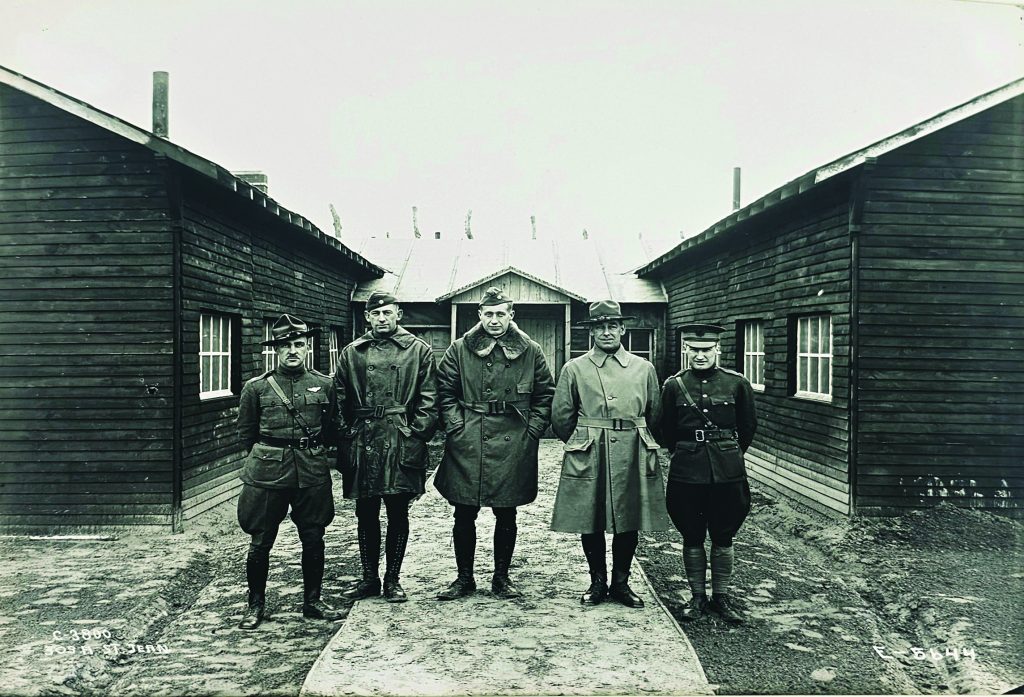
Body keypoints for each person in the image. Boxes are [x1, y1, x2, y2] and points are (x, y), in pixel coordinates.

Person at [434, 287, 555, 600]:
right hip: (469, 436)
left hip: (514, 437)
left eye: (501, 313)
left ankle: (502, 577)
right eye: (488, 314)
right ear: (479, 316)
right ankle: (464, 578)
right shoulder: (460, 349)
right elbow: (444, 391)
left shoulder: (530, 349)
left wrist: (533, 430)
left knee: (507, 512)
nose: (495, 320)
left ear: (511, 314)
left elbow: (545, 395)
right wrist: (455, 426)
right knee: (464, 510)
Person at [550, 300, 669, 608]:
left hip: (632, 448)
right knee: (590, 517)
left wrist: (634, 435)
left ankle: (621, 583)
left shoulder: (644, 368)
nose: (606, 332)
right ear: (591, 332)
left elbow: (655, 413)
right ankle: (597, 582)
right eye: (599, 327)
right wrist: (584, 439)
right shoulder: (574, 368)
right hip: (591, 449)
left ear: (622, 329)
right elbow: (561, 416)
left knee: (629, 517)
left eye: (611, 326)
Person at [235, 313, 343, 630]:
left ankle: (313, 601)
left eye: (298, 344)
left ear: (306, 346)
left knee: (313, 537)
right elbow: (246, 434)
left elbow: (331, 427)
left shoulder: (323, 384)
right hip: (268, 472)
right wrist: (270, 455)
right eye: (286, 345)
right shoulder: (256, 388)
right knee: (260, 541)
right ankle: (255, 606)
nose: (293, 350)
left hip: (310, 471)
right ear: (276, 350)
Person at [334, 290, 438, 603]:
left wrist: (415, 433)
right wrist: (346, 432)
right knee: (365, 512)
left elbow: (429, 397)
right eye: (376, 314)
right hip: (363, 439)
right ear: (367, 317)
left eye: (388, 313)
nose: (382, 319)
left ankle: (392, 579)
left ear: (399, 315)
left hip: (399, 438)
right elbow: (338, 396)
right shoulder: (353, 352)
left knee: (397, 511)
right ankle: (369, 579)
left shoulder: (418, 350)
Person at [658, 323, 757, 625]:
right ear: (686, 350)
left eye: (706, 350)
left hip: (728, 472)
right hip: (687, 472)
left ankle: (722, 597)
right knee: (691, 534)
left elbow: (748, 426)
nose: (700, 355)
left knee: (724, 534)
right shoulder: (674, 385)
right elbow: (664, 429)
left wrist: (728, 451)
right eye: (695, 350)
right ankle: (697, 596)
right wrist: (684, 449)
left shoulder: (737, 383)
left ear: (717, 350)